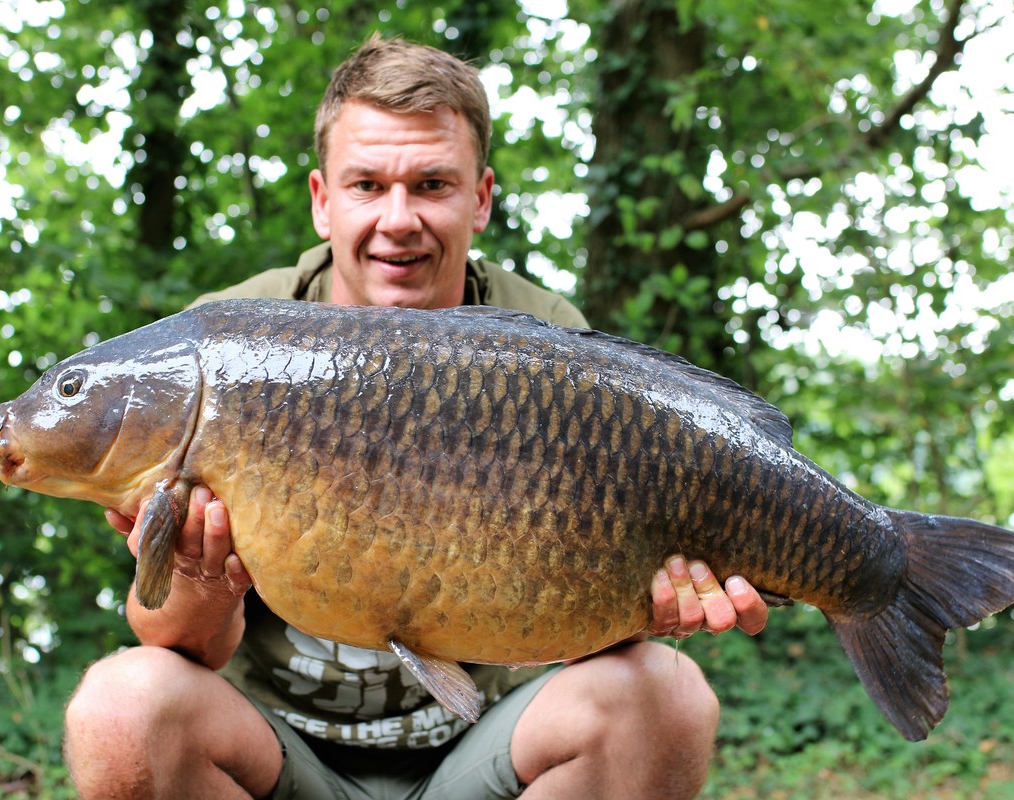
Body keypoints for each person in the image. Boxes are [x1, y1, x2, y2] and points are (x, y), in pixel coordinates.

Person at [64, 36, 768, 799]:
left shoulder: (545, 339)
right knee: (120, 707)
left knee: (668, 694)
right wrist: (200, 574)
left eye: (432, 183)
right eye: (366, 184)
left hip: (488, 749)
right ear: (321, 199)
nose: (398, 219)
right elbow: (177, 642)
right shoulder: (219, 348)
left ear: (482, 197)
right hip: (276, 754)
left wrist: (651, 602)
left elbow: (585, 632)